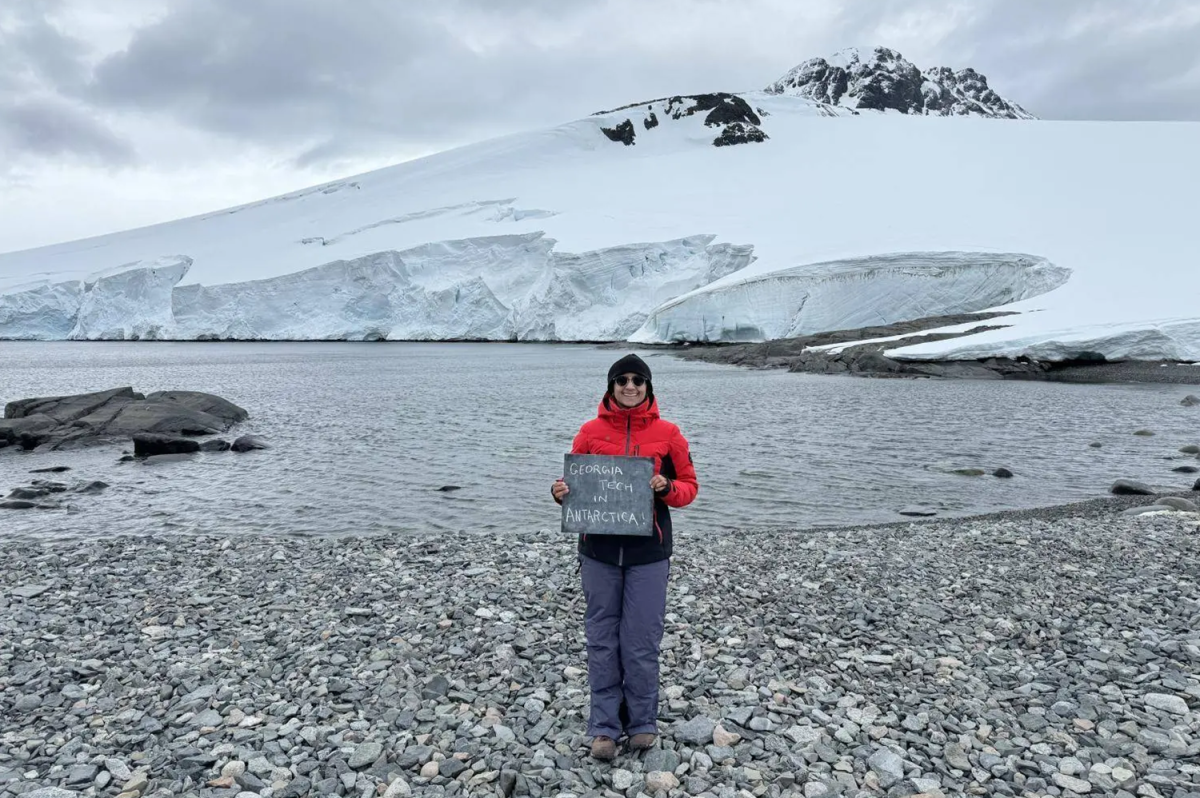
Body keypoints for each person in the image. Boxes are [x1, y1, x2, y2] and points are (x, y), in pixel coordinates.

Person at [552, 353, 699, 760]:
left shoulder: (669, 434)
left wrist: (665, 487)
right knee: (601, 639)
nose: (630, 386)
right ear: (611, 386)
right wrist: (559, 492)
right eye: (622, 380)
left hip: (648, 552)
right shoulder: (589, 431)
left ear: (648, 387)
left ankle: (641, 722)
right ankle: (603, 726)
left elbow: (689, 486)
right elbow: (572, 482)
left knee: (641, 639)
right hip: (598, 551)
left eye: (637, 380)